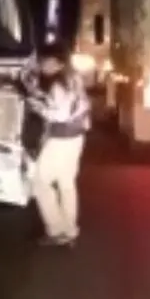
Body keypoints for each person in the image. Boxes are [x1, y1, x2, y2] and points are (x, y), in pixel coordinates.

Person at [21, 41, 90, 247]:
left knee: (40, 182)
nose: (42, 65)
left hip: (61, 138)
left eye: (46, 61)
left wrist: (36, 107)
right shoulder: (74, 79)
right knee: (66, 184)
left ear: (58, 64)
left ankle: (56, 229)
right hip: (77, 136)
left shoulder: (59, 84)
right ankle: (69, 231)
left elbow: (59, 114)